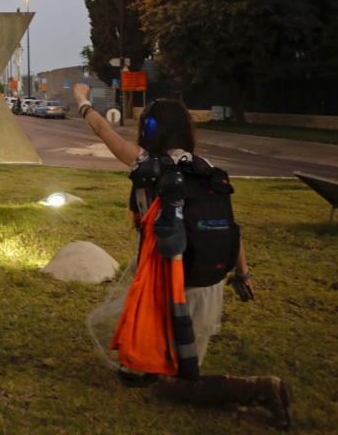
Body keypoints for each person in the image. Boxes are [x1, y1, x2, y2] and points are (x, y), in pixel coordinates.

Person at [74, 83, 292, 428]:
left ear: (150, 130)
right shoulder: (207, 167)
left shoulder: (146, 163)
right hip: (208, 281)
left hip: (170, 284)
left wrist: (83, 100)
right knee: (136, 277)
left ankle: (262, 389)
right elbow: (230, 225)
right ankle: (144, 355)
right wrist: (242, 273)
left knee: (176, 384)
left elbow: (102, 129)